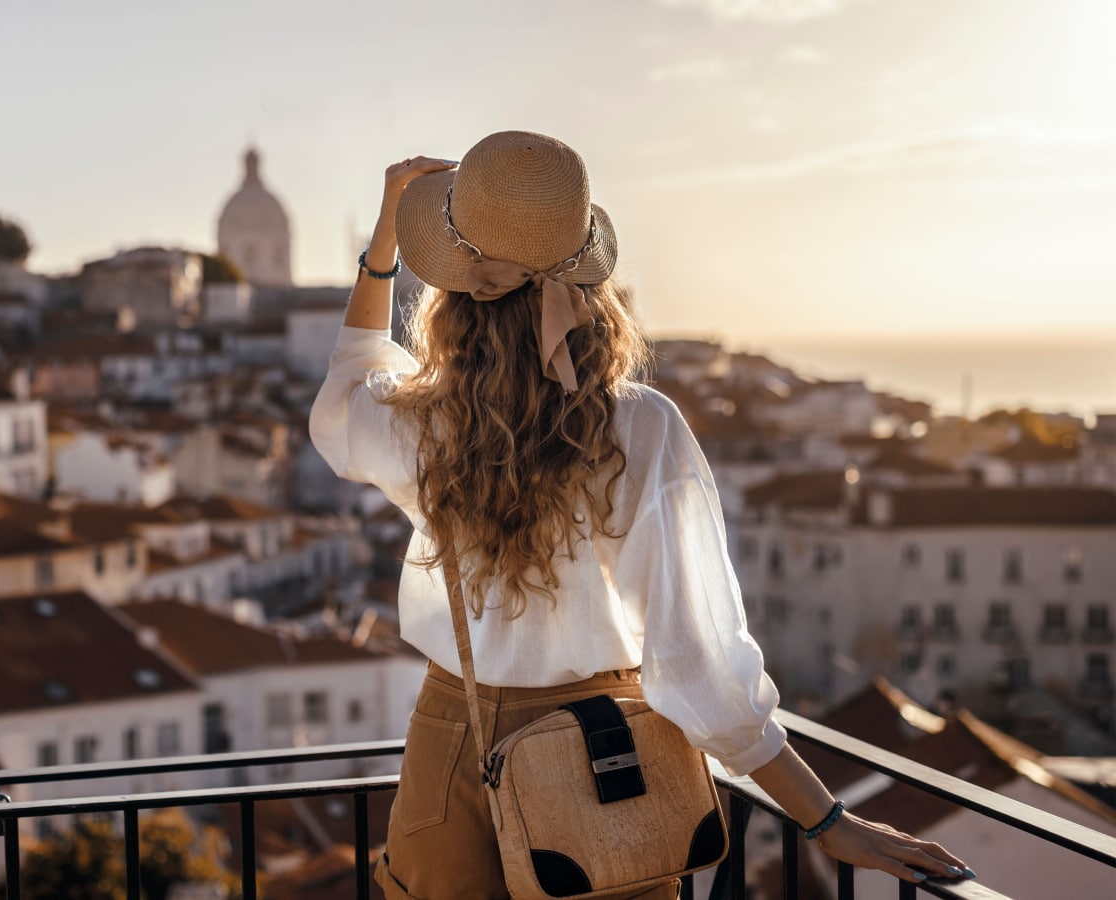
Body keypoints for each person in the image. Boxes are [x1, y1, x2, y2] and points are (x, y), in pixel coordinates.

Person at [310, 131, 974, 900]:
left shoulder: (422, 426)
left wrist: (387, 232)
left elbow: (346, 390)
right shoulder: (641, 430)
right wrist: (828, 823)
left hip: (450, 746)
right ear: (588, 288)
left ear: (455, 297)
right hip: (603, 759)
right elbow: (699, 665)